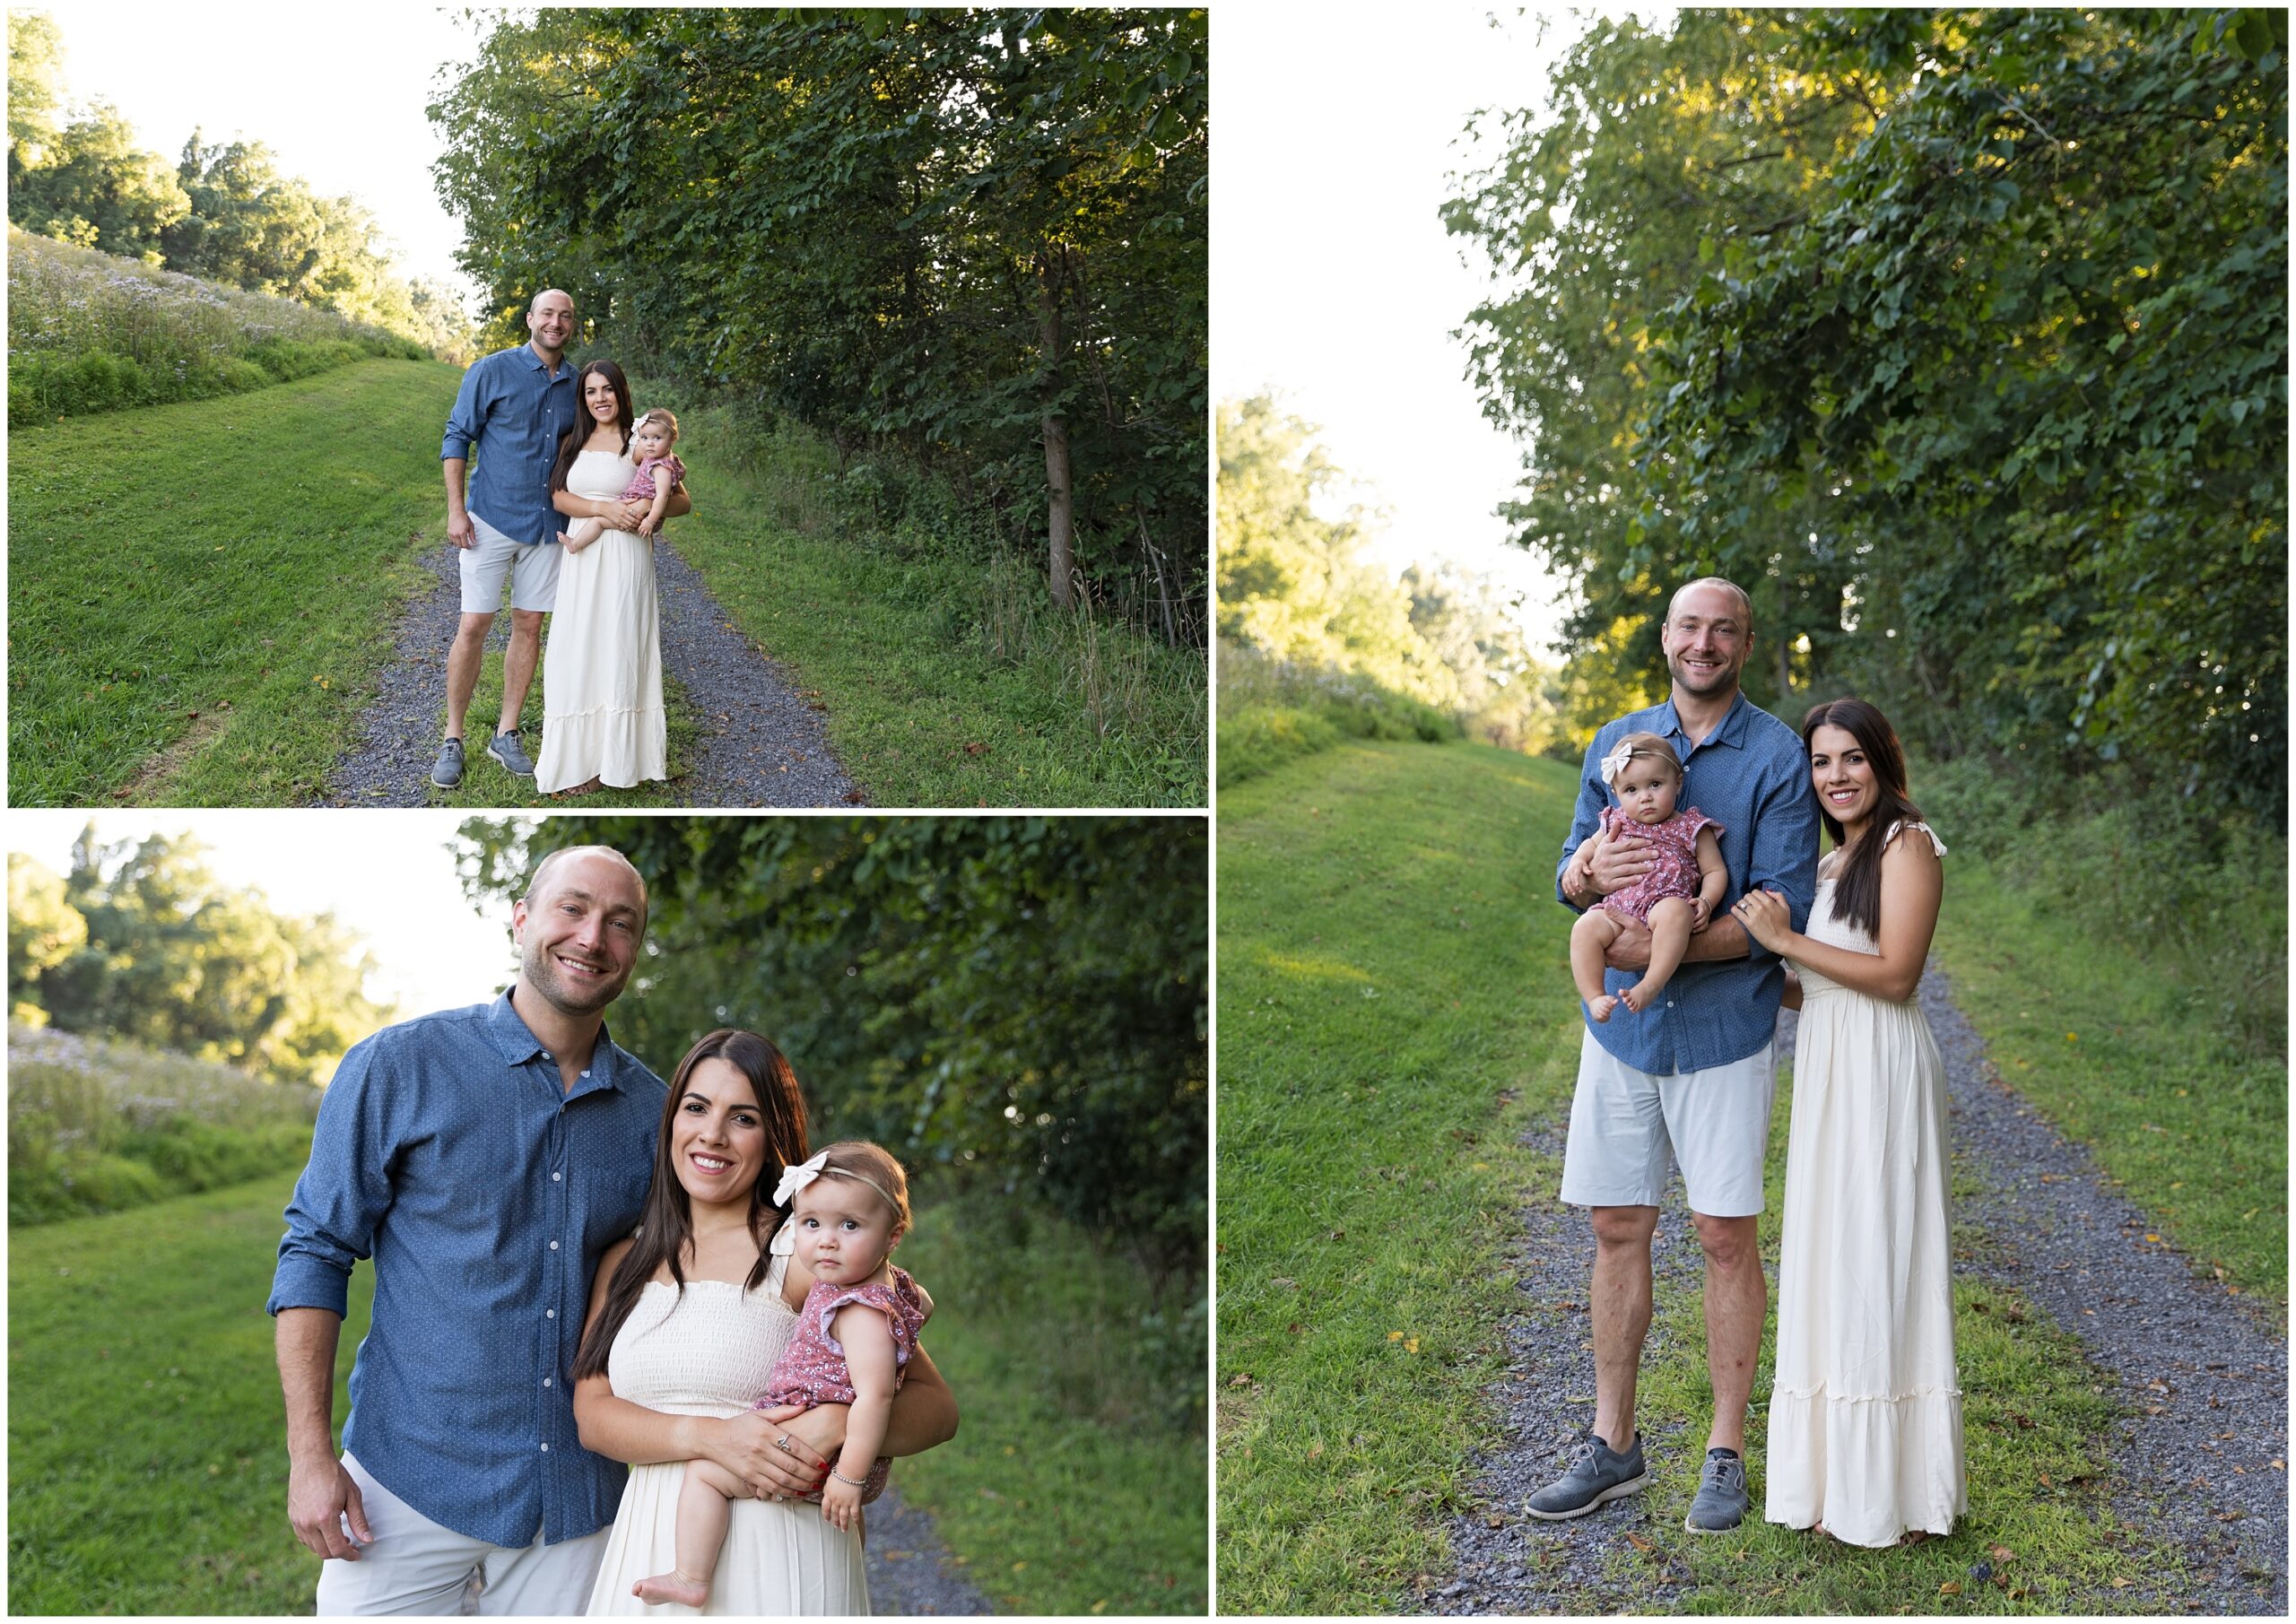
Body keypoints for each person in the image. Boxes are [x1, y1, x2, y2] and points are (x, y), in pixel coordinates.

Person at [268, 847, 665, 1613]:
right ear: (521, 918)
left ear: (634, 951)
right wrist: (310, 1454)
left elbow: (707, 1272)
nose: (593, 937)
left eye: (621, 923)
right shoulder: (398, 1066)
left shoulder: (656, 1116)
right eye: (573, 908)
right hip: (406, 1482)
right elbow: (316, 1250)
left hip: (579, 1501)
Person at [1527, 576, 1819, 1534]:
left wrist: (1650, 943)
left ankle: (1725, 1452)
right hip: (1623, 1031)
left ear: (1744, 642)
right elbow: (1572, 870)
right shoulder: (1616, 742)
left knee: (1724, 1234)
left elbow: (1776, 912)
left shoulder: (1776, 754)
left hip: (1725, 1034)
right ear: (1664, 635)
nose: (1703, 642)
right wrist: (1581, 879)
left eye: (1722, 629)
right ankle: (1614, 1445)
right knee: (1617, 1223)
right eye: (1689, 625)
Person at [573, 1032, 959, 1616]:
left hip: (780, 1550)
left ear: (773, 1135)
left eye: (743, 1117)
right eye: (696, 1107)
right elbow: (593, 1414)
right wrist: (707, 1436)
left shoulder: (804, 1253)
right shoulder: (624, 1260)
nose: (713, 1134)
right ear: (671, 1118)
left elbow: (936, 1408)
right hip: (651, 1548)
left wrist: (837, 1420)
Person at [1733, 698, 1966, 1547]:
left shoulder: (1909, 844)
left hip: (1883, 1070)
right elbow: (1822, 985)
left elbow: (1895, 974)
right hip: (1830, 1069)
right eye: (1822, 762)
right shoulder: (1832, 867)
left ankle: (1889, 1493)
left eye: (1851, 759)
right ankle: (1831, 1481)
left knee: (1877, 1252)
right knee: (1830, 1257)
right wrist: (1757, 963)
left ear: (1882, 761)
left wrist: (1788, 942)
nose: (1836, 776)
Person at [630, 1142, 931, 1609]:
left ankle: (690, 1575)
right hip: (825, 1452)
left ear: (893, 1236)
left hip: (815, 1450)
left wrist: (848, 1477)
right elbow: (921, 1308)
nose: (827, 1240)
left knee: (706, 1474)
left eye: (849, 1225)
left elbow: (875, 1398)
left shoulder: (858, 1310)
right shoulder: (886, 1288)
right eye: (812, 1224)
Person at [535, 361, 670, 795]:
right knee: (575, 649)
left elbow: (678, 498)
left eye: (608, 390)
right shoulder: (574, 438)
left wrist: (649, 512)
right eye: (591, 391)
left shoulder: (641, 439)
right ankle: (576, 761)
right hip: (583, 552)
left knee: (618, 648)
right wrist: (602, 509)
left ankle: (616, 761)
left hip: (624, 555)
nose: (600, 399)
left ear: (621, 393)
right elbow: (559, 495)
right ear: (583, 398)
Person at [1565, 732, 1727, 1023]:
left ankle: (1651, 983)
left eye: (1655, 784)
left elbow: (1715, 870)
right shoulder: (1616, 821)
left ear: (1677, 783)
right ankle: (1594, 996)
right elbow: (1589, 845)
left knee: (1677, 912)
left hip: (1662, 908)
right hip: (1617, 910)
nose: (1645, 797)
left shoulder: (1691, 826)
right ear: (1615, 793)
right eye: (1631, 790)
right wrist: (1578, 862)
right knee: (1584, 928)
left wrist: (1706, 901)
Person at [563, 409, 684, 553]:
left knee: (599, 521)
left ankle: (575, 544)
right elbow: (681, 472)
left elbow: (662, 496)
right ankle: (575, 543)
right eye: (644, 438)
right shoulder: (663, 460)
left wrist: (650, 521)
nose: (650, 444)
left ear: (673, 438)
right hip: (636, 507)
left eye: (657, 438)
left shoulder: (661, 467)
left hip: (638, 513)